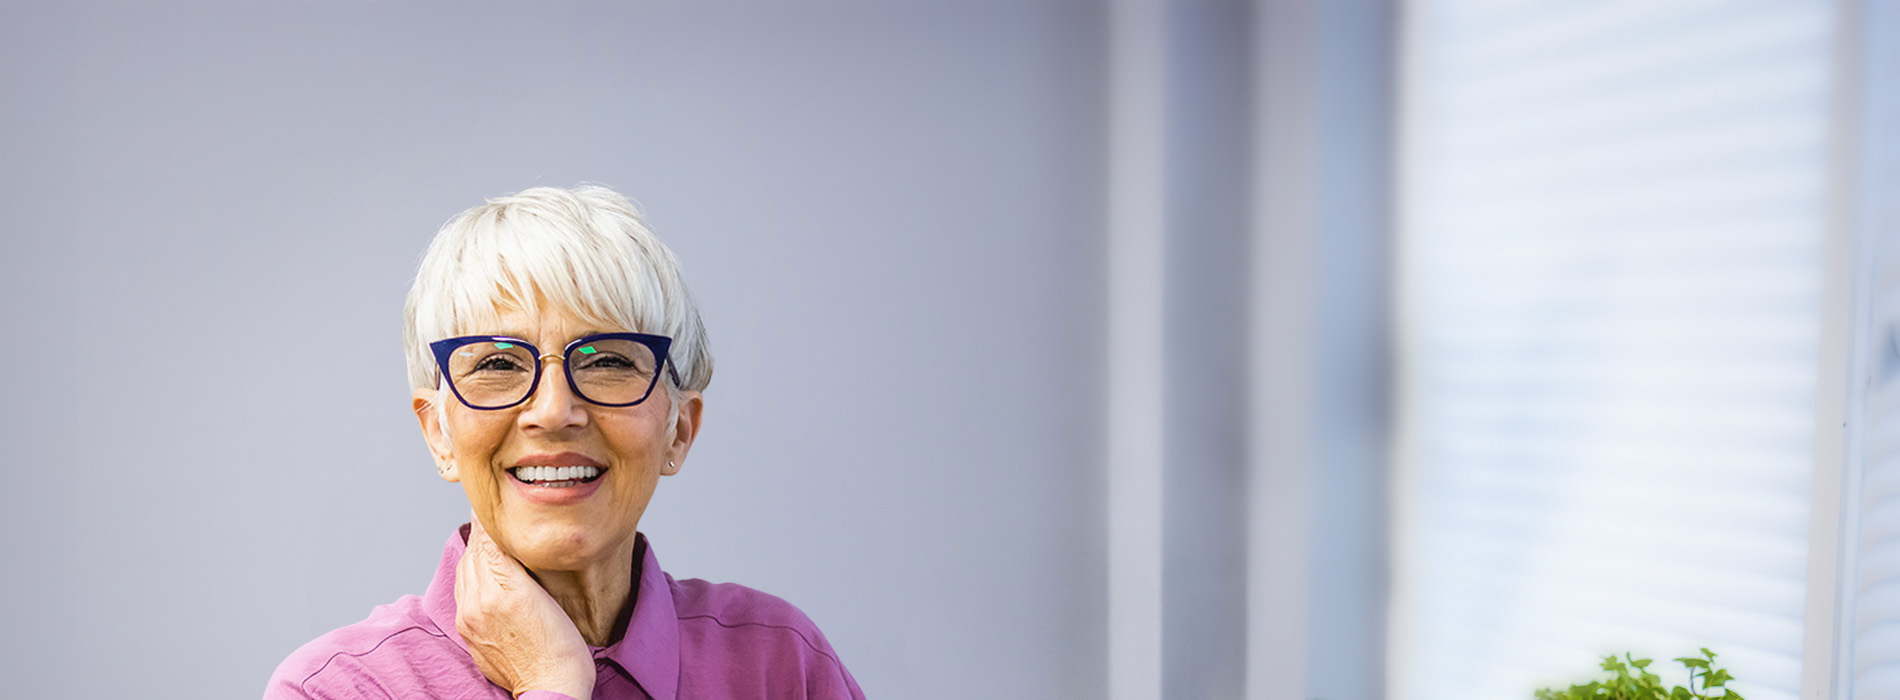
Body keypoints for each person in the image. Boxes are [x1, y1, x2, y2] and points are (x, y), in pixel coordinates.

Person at [266, 186, 865, 700]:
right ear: (438, 432)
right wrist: (552, 681)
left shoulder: (781, 666)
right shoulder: (339, 688)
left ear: (679, 428)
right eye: (498, 363)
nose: (553, 412)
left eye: (607, 360)